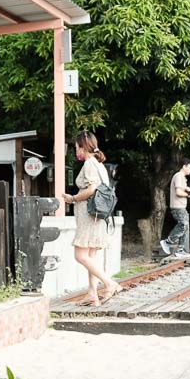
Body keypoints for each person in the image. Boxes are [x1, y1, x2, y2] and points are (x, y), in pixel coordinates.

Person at [64, 130, 121, 306]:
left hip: (88, 216)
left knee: (80, 255)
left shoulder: (89, 164)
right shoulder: (99, 165)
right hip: (98, 216)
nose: (76, 151)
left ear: (83, 147)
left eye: (76, 148)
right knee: (91, 256)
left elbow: (90, 190)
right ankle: (92, 294)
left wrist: (72, 198)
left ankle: (110, 284)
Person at [160, 160, 190, 259]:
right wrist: (188, 195)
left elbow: (183, 191)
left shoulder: (183, 178)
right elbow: (178, 192)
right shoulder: (179, 176)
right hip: (177, 207)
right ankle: (167, 242)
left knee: (186, 227)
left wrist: (188, 191)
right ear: (184, 166)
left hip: (182, 207)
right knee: (183, 225)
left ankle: (180, 250)